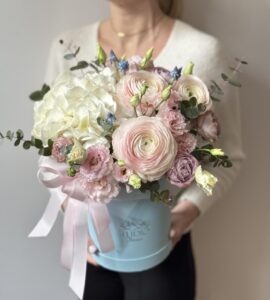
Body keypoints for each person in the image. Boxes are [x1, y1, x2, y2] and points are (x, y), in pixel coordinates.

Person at [44, 0, 246, 299]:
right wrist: (74, 216)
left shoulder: (203, 51)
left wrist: (187, 211)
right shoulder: (67, 45)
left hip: (162, 250)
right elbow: (50, 151)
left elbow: (227, 156)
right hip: (92, 249)